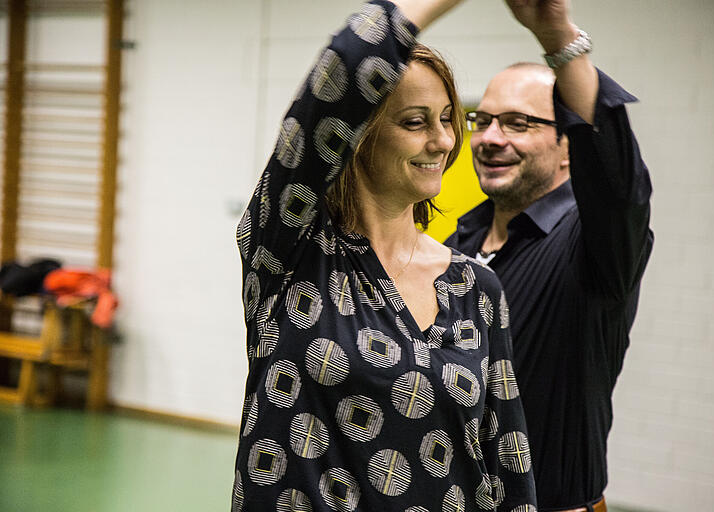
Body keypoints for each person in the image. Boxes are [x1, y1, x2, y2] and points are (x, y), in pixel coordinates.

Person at [232, 1, 536, 510]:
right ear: (355, 134)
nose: (442, 140)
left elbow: (506, 460)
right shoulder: (292, 252)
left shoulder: (475, 289)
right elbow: (343, 71)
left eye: (447, 119)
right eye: (415, 122)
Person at [445, 1, 654, 511]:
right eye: (483, 120)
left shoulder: (591, 246)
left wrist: (558, 38)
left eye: (518, 123)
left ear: (568, 148)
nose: (490, 139)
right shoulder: (457, 246)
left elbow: (617, 183)